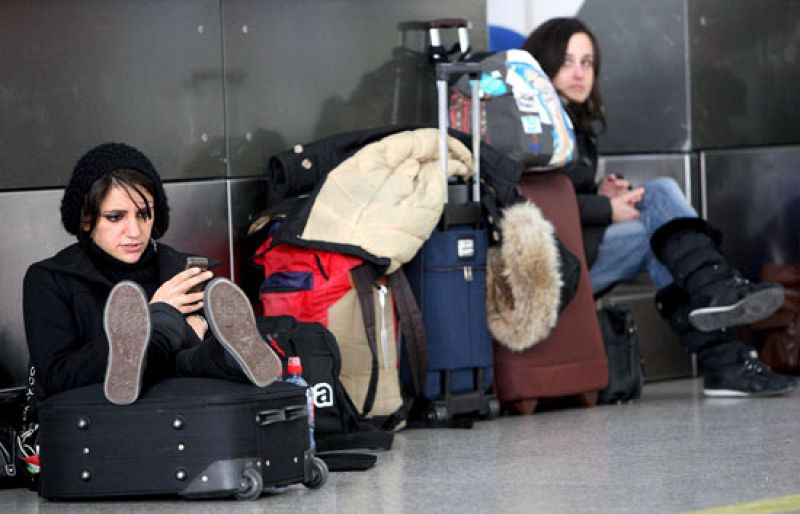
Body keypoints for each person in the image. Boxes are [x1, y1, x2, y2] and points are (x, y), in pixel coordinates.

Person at [522, 18, 796, 397]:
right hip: (555, 265)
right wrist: (606, 208)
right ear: (543, 63)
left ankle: (722, 345)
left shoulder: (573, 123)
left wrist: (601, 191)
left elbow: (562, 191)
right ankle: (717, 306)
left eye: (587, 62)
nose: (579, 73)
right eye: (567, 61)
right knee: (662, 213)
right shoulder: (532, 125)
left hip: (580, 248)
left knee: (664, 231)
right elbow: (536, 202)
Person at [23, 142, 282, 405]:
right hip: (95, 417)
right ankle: (195, 345)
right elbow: (58, 377)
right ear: (87, 219)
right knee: (178, 341)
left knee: (204, 355)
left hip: (185, 414)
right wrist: (161, 318)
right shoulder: (51, 279)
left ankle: (226, 357)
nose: (134, 231)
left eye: (143, 214)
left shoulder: (185, 272)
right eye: (115, 217)